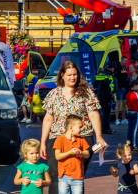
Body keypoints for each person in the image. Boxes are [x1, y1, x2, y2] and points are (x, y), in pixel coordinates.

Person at [40, 61, 107, 194]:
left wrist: (98, 135)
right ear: (62, 75)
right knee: (55, 176)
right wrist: (42, 142)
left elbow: (94, 115)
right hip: (57, 139)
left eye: (75, 74)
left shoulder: (86, 92)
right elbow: (48, 119)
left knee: (76, 176)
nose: (72, 77)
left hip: (82, 139)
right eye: (69, 75)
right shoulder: (54, 94)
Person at [53, 115, 90, 194]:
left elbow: (87, 154)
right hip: (64, 177)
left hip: (78, 176)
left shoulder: (81, 139)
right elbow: (57, 156)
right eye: (80, 127)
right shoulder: (60, 139)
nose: (81, 129)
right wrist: (70, 152)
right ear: (71, 127)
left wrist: (81, 152)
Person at [95, 62, 117, 134]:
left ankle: (101, 128)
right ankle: (105, 129)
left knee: (101, 113)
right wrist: (110, 91)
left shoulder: (100, 74)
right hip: (106, 96)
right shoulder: (108, 74)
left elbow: (94, 83)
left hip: (100, 95)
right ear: (111, 68)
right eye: (113, 68)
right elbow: (107, 83)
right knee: (106, 113)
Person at [125, 80, 138, 150]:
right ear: (134, 85)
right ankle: (135, 145)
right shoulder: (135, 94)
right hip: (136, 112)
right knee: (135, 129)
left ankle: (129, 143)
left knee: (129, 129)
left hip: (130, 111)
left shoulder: (128, 93)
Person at [115, 56, 129, 125]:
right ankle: (117, 120)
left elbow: (125, 77)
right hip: (119, 88)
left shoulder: (124, 68)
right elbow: (116, 79)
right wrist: (120, 87)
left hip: (125, 88)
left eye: (126, 61)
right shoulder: (117, 68)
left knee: (124, 103)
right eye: (125, 61)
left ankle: (123, 119)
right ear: (121, 60)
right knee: (118, 103)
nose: (125, 63)